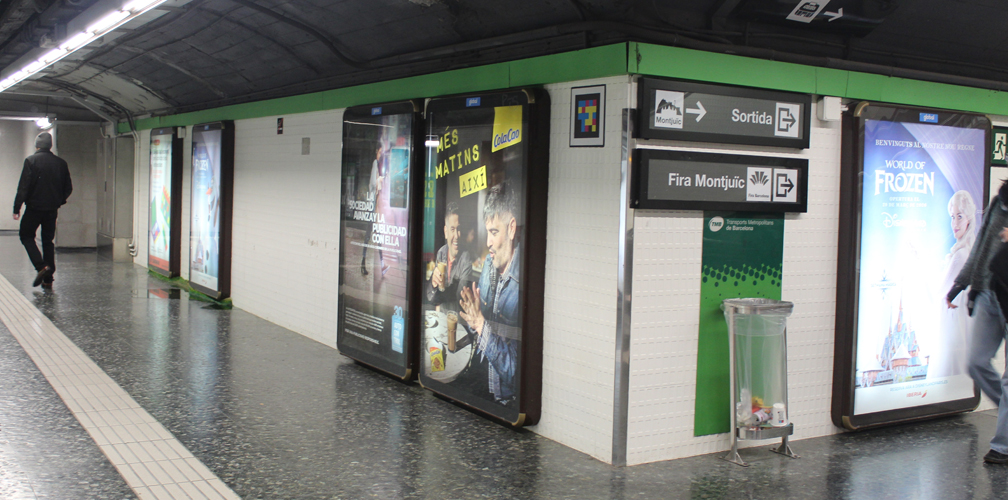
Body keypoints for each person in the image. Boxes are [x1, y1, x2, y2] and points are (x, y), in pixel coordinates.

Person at [946, 180, 1008, 464]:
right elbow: (982, 245)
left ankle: (1002, 447)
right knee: (976, 362)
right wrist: (961, 284)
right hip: (988, 292)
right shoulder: (1000, 201)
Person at [459, 183, 520, 405]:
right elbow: (479, 332)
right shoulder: (488, 265)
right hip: (479, 384)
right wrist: (471, 318)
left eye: (494, 232)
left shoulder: (523, 285)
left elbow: (515, 374)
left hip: (503, 401)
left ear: (511, 229)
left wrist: (480, 324)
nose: (488, 243)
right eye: (488, 232)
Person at [12, 132, 72, 289]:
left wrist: (17, 207)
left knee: (26, 235)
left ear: (37, 145)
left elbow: (23, 187)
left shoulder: (31, 161)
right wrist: (58, 201)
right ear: (50, 145)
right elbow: (68, 188)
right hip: (52, 209)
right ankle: (48, 279)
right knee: (48, 241)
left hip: (34, 208)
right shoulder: (61, 163)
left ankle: (41, 266)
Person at [934, 190, 977, 378]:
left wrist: (918, 265)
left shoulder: (961, 255)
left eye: (959, 216)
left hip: (952, 332)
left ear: (968, 219)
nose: (955, 223)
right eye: (953, 217)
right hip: (957, 329)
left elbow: (939, 291)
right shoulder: (965, 251)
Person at [426, 201, 473, 311]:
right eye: (452, 229)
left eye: (459, 229)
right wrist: (433, 284)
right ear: (446, 232)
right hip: (441, 316)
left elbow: (460, 303)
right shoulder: (441, 252)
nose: (456, 235)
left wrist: (439, 303)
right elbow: (430, 297)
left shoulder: (466, 259)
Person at [361, 145, 388, 276]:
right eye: (380, 151)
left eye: (383, 152)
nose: (381, 154)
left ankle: (381, 265)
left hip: (376, 206)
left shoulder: (380, 165)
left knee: (377, 235)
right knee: (370, 235)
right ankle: (363, 263)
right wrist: (379, 180)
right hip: (373, 206)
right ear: (376, 152)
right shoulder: (375, 163)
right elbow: (372, 184)